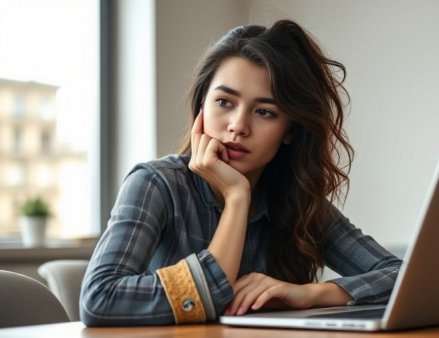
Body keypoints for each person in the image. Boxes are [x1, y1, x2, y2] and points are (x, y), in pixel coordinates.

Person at [80, 19, 401, 326]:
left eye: (264, 112)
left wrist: (312, 293)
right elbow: (98, 299)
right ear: (201, 107)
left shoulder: (295, 197)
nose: (238, 126)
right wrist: (236, 197)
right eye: (224, 102)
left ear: (289, 130)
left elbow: (400, 275)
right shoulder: (156, 183)